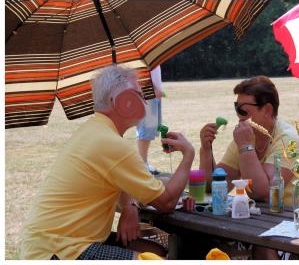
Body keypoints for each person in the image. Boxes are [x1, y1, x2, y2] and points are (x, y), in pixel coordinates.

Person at [20, 65, 195, 260]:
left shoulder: (95, 130)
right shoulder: (111, 144)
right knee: (153, 260)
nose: (145, 101)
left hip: (53, 242)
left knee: (156, 252)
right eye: (138, 95)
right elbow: (167, 203)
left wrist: (130, 207)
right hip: (61, 249)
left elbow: (117, 175)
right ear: (122, 102)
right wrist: (188, 154)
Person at [199, 75, 299, 259]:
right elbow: (214, 187)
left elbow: (263, 192)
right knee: (205, 240)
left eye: (243, 110)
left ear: (267, 110)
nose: (238, 116)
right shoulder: (245, 138)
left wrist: (246, 147)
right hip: (271, 220)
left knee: (263, 248)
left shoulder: (289, 140)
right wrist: (206, 150)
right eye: (236, 108)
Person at [136, 65, 163, 175]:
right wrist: (153, 89)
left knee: (150, 130)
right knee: (146, 130)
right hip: (148, 94)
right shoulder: (142, 57)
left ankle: (143, 162)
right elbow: (141, 71)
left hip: (154, 95)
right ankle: (142, 164)